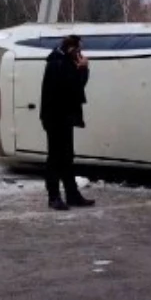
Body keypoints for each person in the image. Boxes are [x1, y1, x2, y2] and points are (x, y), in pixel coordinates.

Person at [39, 34, 95, 210]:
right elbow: (74, 88)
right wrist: (83, 69)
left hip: (62, 117)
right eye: (78, 49)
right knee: (56, 158)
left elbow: (75, 87)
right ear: (71, 48)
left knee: (66, 157)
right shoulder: (58, 63)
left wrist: (81, 69)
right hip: (56, 117)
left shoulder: (62, 61)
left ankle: (71, 194)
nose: (80, 53)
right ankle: (54, 196)